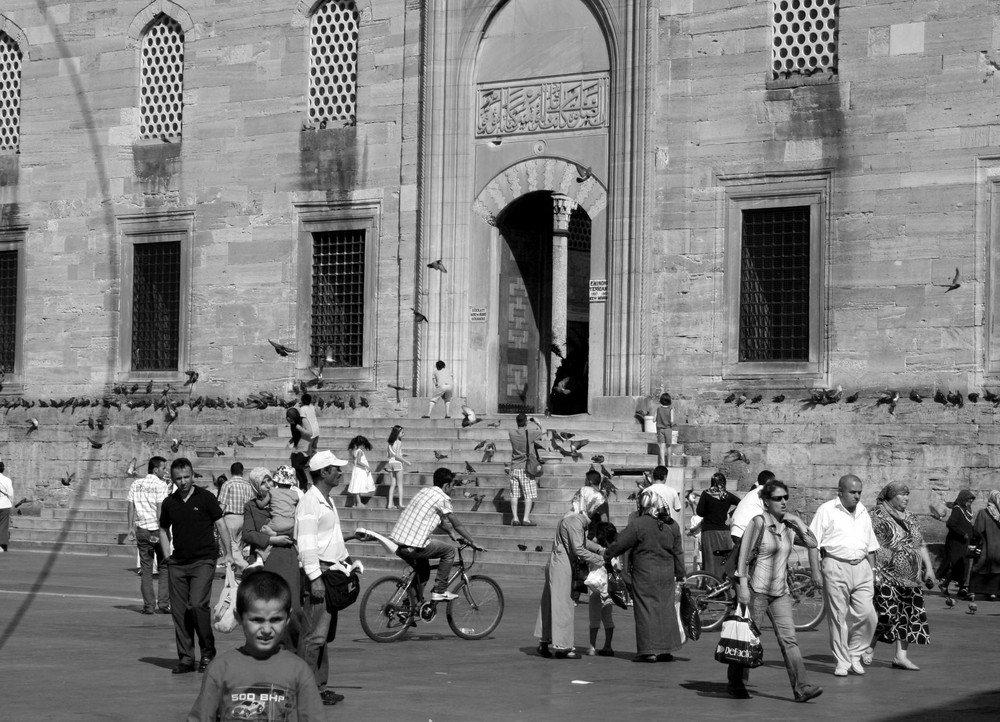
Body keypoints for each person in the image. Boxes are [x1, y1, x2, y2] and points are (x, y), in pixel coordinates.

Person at [186, 571, 324, 722]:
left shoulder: (299, 671)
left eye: (275, 619)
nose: (266, 629)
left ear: (288, 619)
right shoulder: (220, 669)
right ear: (238, 617)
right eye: (257, 620)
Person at [730, 479, 823, 703]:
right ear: (765, 501)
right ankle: (737, 682)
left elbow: (812, 543)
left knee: (789, 640)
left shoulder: (789, 527)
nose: (783, 502)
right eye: (777, 498)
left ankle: (802, 688)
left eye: (785, 498)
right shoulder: (758, 522)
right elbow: (742, 557)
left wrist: (798, 521)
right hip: (756, 591)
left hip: (780, 593)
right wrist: (742, 586)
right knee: (748, 638)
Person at [295, 450, 364, 706]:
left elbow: (326, 539)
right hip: (320, 575)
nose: (340, 471)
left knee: (322, 637)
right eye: (335, 468)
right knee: (314, 637)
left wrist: (348, 554)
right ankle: (306, 689)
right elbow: (306, 544)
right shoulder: (310, 502)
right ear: (323, 472)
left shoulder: (326, 499)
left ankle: (319, 687)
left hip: (331, 573)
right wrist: (315, 579)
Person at [159, 458, 235, 674]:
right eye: (178, 479)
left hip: (203, 560)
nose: (183, 482)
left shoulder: (206, 498)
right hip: (178, 563)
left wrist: (228, 553)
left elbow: (220, 524)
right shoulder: (169, 503)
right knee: (180, 611)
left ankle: (208, 651)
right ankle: (186, 658)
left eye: (186, 477)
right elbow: (163, 530)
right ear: (172, 480)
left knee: (197, 605)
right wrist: (166, 556)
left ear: (193, 476)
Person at [807, 474, 879, 677]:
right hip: (836, 565)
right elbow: (813, 542)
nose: (857, 496)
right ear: (840, 492)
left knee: (868, 615)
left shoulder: (864, 512)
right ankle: (842, 660)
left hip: (862, 567)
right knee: (838, 617)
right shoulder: (827, 510)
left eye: (859, 492)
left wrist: (873, 571)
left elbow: (871, 546)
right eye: (853, 492)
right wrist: (815, 571)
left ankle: (855, 653)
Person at [604, 486, 685, 663]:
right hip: (666, 575)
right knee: (665, 609)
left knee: (645, 610)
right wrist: (680, 574)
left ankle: (648, 650)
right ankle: (665, 650)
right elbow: (678, 552)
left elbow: (620, 543)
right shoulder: (673, 525)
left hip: (645, 574)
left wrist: (608, 554)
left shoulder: (639, 524)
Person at [866, 482, 934, 671]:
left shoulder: (911, 517)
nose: (906, 498)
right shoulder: (876, 514)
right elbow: (867, 541)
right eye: (902, 494)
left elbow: (920, 544)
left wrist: (929, 569)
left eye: (907, 494)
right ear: (890, 496)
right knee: (886, 614)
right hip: (886, 573)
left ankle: (900, 656)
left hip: (911, 577)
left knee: (907, 616)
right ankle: (869, 646)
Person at [390, 467, 485, 601]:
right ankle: (440, 590)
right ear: (446, 486)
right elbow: (457, 523)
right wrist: (472, 541)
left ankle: (409, 607)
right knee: (449, 551)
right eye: (452, 486)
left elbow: (438, 519)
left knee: (423, 572)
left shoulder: (425, 491)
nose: (453, 489)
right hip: (414, 544)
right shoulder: (442, 498)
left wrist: (450, 532)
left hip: (399, 541)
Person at [535, 487, 607, 659]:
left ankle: (545, 641)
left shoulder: (571, 517)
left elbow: (581, 542)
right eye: (594, 505)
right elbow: (579, 549)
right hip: (563, 564)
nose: (596, 510)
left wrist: (598, 549)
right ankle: (562, 646)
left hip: (557, 561)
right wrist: (600, 559)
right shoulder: (575, 520)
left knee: (551, 603)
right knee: (563, 604)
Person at [241, 467, 301, 650]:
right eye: (262, 483)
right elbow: (248, 534)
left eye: (269, 481)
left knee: (293, 606)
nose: (268, 485)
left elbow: (299, 523)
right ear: (255, 486)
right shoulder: (251, 506)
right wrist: (272, 538)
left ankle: (292, 648)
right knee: (266, 609)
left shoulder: (287, 498)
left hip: (287, 556)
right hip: (265, 561)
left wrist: (280, 533)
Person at [125, 456, 172, 614]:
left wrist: (130, 527)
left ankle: (149, 606)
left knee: (146, 569)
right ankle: (164, 604)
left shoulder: (136, 483)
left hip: (142, 531)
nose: (165, 471)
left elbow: (131, 507)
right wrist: (163, 530)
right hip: (157, 530)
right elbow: (160, 509)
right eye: (163, 468)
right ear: (155, 469)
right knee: (164, 566)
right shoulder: (161, 485)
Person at [696, 471, 740, 578]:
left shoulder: (706, 494)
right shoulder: (728, 496)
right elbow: (741, 503)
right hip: (724, 533)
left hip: (709, 532)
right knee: (724, 560)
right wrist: (729, 514)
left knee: (710, 560)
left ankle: (711, 585)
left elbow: (699, 511)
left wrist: (709, 512)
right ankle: (723, 585)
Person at [937, 489, 975, 599]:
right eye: (969, 500)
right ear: (963, 499)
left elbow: (967, 524)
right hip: (955, 543)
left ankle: (960, 588)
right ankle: (947, 585)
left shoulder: (966, 510)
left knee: (963, 565)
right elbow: (951, 523)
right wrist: (963, 533)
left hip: (963, 542)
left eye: (971, 500)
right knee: (959, 565)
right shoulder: (957, 509)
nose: (970, 502)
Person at [587, 521, 618, 657]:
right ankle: (608, 646)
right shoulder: (614, 551)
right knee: (608, 618)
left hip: (595, 590)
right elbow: (619, 567)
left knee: (594, 619)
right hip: (608, 590)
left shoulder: (596, 551)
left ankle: (592, 647)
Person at [508, 413, 545, 526]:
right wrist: (537, 422)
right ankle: (525, 519)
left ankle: (515, 518)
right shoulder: (530, 433)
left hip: (514, 467)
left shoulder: (511, 433)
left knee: (514, 495)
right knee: (528, 495)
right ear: (526, 422)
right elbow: (544, 430)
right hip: (526, 469)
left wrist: (526, 421)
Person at [218, 462, 253, 571]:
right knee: (238, 546)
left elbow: (222, 505)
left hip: (230, 518)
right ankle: (231, 573)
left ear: (231, 471)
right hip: (244, 518)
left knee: (230, 547)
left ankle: (246, 568)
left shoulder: (227, 484)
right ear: (242, 471)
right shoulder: (248, 485)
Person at [970, 489, 1000, 600]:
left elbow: (978, 530)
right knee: (997, 569)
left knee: (979, 567)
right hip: (998, 548)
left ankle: (972, 591)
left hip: (986, 546)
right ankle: (993, 593)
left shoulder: (983, 513)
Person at [347, 435, 376, 507]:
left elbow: (354, 462)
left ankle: (355, 503)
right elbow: (358, 462)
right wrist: (366, 466)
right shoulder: (359, 451)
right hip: (360, 471)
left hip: (356, 470)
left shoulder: (354, 451)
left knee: (355, 486)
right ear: (361, 444)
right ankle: (359, 503)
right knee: (357, 486)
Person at [385, 425, 409, 509]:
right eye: (402, 432)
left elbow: (389, 455)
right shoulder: (398, 442)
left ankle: (389, 504)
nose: (403, 434)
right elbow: (397, 456)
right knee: (400, 484)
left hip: (390, 463)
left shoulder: (390, 443)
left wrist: (403, 454)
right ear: (397, 433)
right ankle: (401, 504)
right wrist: (405, 461)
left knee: (392, 484)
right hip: (397, 463)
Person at [655, 392, 674, 467]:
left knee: (662, 447)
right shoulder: (671, 409)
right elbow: (672, 420)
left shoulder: (658, 409)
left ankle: (662, 463)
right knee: (668, 446)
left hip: (660, 429)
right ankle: (669, 462)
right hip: (668, 429)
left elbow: (653, 419)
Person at [0, 454, 13, 552]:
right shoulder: (7, 480)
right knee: (3, 526)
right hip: (4, 505)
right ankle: (1, 547)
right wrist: (11, 504)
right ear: (3, 469)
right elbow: (11, 494)